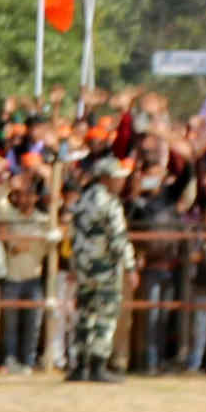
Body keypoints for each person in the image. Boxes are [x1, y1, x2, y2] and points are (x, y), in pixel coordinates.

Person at [63, 156, 130, 382]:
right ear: (105, 178)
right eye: (117, 178)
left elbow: (74, 236)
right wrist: (130, 266)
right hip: (104, 268)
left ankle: (79, 365)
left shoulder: (82, 201)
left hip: (83, 268)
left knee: (84, 315)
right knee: (105, 316)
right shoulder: (110, 203)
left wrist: (75, 264)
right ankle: (99, 365)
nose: (121, 182)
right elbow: (118, 239)